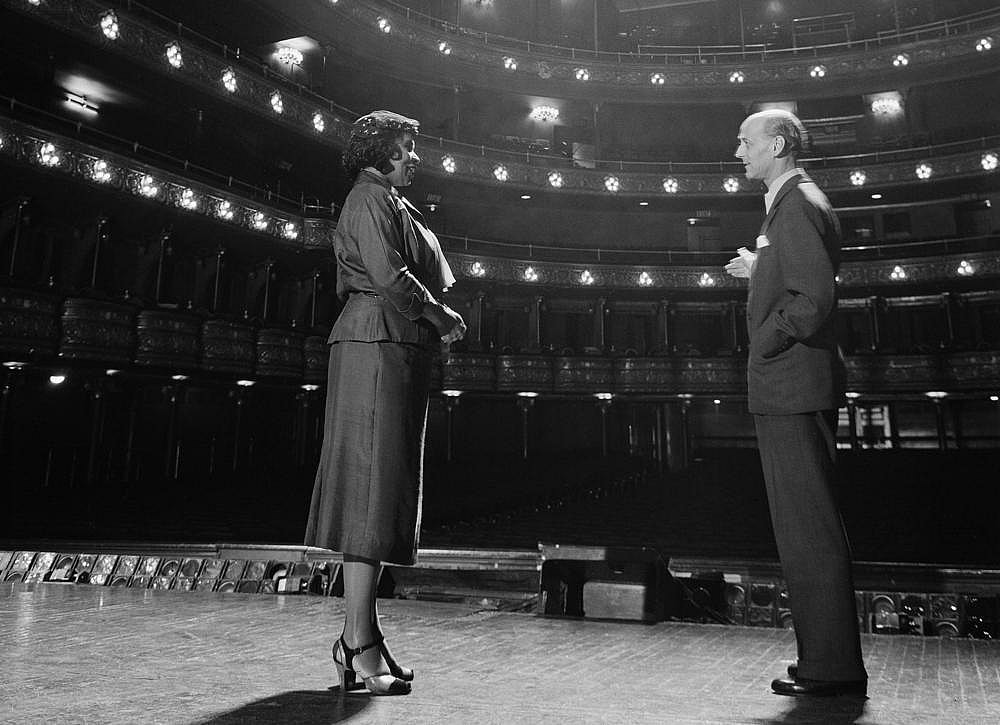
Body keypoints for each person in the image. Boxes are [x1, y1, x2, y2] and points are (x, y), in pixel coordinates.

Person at [304, 110, 466, 696]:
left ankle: (361, 638)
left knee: (380, 493)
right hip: (375, 342)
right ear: (382, 151)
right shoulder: (369, 198)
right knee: (370, 495)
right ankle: (358, 642)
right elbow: (392, 277)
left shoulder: (387, 200)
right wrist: (440, 315)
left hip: (388, 345)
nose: (415, 156)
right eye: (407, 146)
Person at [725, 109, 867, 697]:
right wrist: (761, 269)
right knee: (805, 527)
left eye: (746, 142)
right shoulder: (796, 203)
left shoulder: (797, 204)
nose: (739, 152)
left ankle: (831, 667)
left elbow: (812, 298)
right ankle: (825, 660)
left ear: (778, 145)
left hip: (791, 383)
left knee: (808, 530)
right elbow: (797, 274)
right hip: (795, 384)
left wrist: (765, 339)